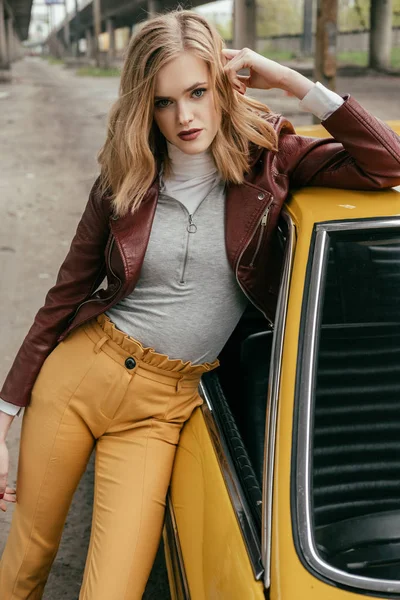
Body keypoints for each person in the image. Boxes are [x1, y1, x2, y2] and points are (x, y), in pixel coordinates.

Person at [1, 7, 400, 600]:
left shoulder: (269, 160)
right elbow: (64, 297)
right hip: (81, 378)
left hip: (161, 410)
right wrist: (4, 415)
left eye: (197, 91)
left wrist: (291, 81)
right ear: (145, 105)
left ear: (222, 83)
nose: (184, 116)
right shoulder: (124, 177)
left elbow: (387, 163)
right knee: (26, 564)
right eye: (164, 101)